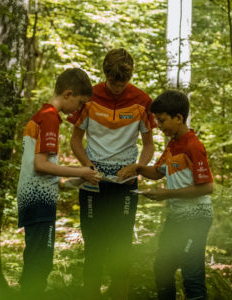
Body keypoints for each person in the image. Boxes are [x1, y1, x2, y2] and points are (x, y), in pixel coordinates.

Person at [68, 48, 156, 299]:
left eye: (123, 83)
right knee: (94, 246)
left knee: (122, 246)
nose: (118, 88)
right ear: (105, 74)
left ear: (130, 78)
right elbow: (75, 140)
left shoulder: (142, 100)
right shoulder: (90, 96)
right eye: (113, 83)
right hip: (93, 182)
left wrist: (139, 166)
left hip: (125, 183)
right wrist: (87, 166)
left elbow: (148, 144)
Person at [118, 90, 214, 300]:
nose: (158, 126)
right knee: (162, 267)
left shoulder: (193, 145)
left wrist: (167, 194)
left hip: (196, 218)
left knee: (192, 274)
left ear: (178, 118)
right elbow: (157, 172)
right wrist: (138, 168)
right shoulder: (172, 145)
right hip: (177, 217)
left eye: (161, 121)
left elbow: (207, 187)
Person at [16, 68, 100, 298]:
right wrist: (81, 169)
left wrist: (73, 181)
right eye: (80, 102)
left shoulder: (42, 115)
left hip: (34, 195)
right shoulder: (51, 116)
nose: (79, 109)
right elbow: (40, 165)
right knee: (40, 262)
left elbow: (39, 169)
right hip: (38, 200)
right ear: (68, 94)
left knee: (35, 258)